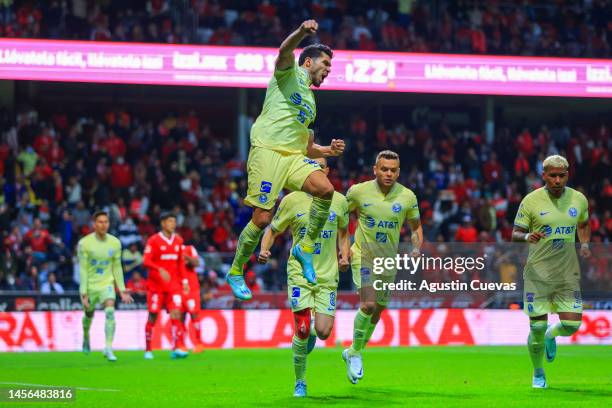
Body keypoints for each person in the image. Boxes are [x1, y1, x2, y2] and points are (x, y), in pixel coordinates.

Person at [225, 19, 345, 301]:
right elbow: (283, 49)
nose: (328, 71)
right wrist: (302, 33)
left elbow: (305, 146)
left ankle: (304, 248)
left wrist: (327, 151)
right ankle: (236, 270)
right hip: (268, 150)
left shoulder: (311, 103)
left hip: (292, 157)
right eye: (325, 64)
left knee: (326, 190)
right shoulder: (288, 73)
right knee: (263, 217)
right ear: (308, 62)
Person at [258, 157, 350, 398]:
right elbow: (274, 229)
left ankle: (310, 333)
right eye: (310, 167)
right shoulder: (292, 200)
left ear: (327, 171)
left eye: (319, 167)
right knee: (301, 327)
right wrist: (265, 249)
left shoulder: (339, 201)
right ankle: (300, 382)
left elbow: (343, 232)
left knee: (323, 331)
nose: (315, 171)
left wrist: (344, 255)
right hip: (299, 272)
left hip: (327, 275)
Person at [343, 150, 423, 384]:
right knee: (367, 305)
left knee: (378, 310)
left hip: (388, 262)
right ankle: (355, 353)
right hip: (363, 256)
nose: (388, 173)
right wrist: (343, 248)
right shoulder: (358, 192)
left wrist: (416, 247)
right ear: (375, 169)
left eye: (393, 170)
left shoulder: (407, 197)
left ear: (399, 171)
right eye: (384, 169)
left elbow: (416, 228)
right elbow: (340, 218)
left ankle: (354, 351)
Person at [512, 155, 590, 389]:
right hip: (538, 274)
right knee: (536, 327)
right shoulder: (531, 201)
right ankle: (538, 373)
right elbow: (515, 234)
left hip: (568, 274)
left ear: (568, 174)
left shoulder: (579, 199)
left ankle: (551, 336)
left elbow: (584, 224)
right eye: (552, 175)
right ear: (543, 175)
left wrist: (584, 243)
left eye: (562, 175)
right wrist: (527, 236)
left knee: (572, 326)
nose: (557, 180)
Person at [78, 210, 134, 361]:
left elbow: (117, 267)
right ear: (94, 224)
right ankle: (85, 335)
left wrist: (122, 290)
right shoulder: (84, 243)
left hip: (106, 284)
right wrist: (83, 291)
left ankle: (108, 347)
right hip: (90, 285)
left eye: (106, 222)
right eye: (100, 222)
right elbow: (82, 269)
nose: (103, 225)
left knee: (110, 312)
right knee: (88, 315)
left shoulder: (115, 243)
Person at [143, 212, 189, 360]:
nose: (173, 224)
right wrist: (159, 269)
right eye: (170, 221)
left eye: (174, 221)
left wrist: (185, 282)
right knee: (153, 316)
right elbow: (146, 260)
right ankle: (148, 349)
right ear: (163, 223)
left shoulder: (179, 241)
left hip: (173, 286)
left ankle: (176, 347)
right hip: (156, 286)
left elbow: (181, 263)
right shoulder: (153, 240)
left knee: (176, 314)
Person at [181, 243, 205, 353]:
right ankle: (181, 345)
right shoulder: (171, 251)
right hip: (178, 287)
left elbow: (197, 263)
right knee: (180, 316)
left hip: (192, 288)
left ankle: (199, 343)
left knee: (194, 314)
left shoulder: (189, 248)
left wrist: (186, 257)